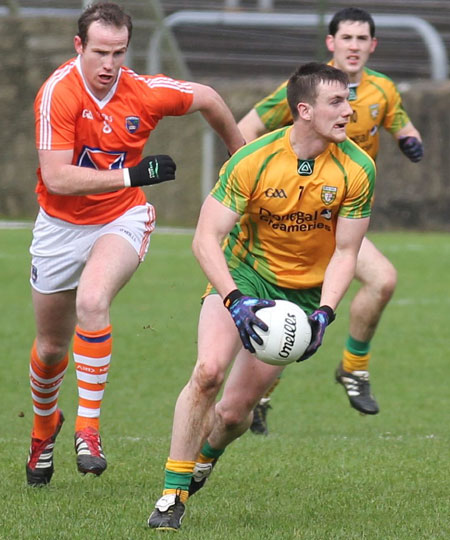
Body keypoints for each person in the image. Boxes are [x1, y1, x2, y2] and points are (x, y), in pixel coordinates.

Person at [148, 62, 375, 531]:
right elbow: (205, 238)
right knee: (208, 372)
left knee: (233, 415)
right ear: (304, 110)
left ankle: (206, 457)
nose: (349, 111)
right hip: (244, 278)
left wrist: (325, 315)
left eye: (348, 101)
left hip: (301, 298)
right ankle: (171, 495)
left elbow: (347, 251)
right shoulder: (253, 159)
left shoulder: (358, 168)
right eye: (337, 102)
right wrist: (235, 300)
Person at [25, 1, 245, 487]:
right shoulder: (57, 94)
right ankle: (44, 430)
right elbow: (57, 178)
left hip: (120, 219)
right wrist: (130, 173)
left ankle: (88, 427)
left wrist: (240, 157)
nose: (108, 64)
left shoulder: (142, 93)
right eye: (99, 52)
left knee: (93, 300)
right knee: (50, 346)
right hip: (59, 227)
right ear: (79, 46)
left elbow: (207, 97)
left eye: (118, 53)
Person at [238, 7, 424, 434]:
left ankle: (353, 368)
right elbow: (246, 128)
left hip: (342, 221)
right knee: (289, 306)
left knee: (383, 280)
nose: (354, 46)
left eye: (363, 39)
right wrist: (251, 176)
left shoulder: (382, 90)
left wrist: (411, 141)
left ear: (373, 46)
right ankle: (259, 397)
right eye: (347, 38)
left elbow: (401, 124)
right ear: (331, 43)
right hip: (295, 222)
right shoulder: (305, 90)